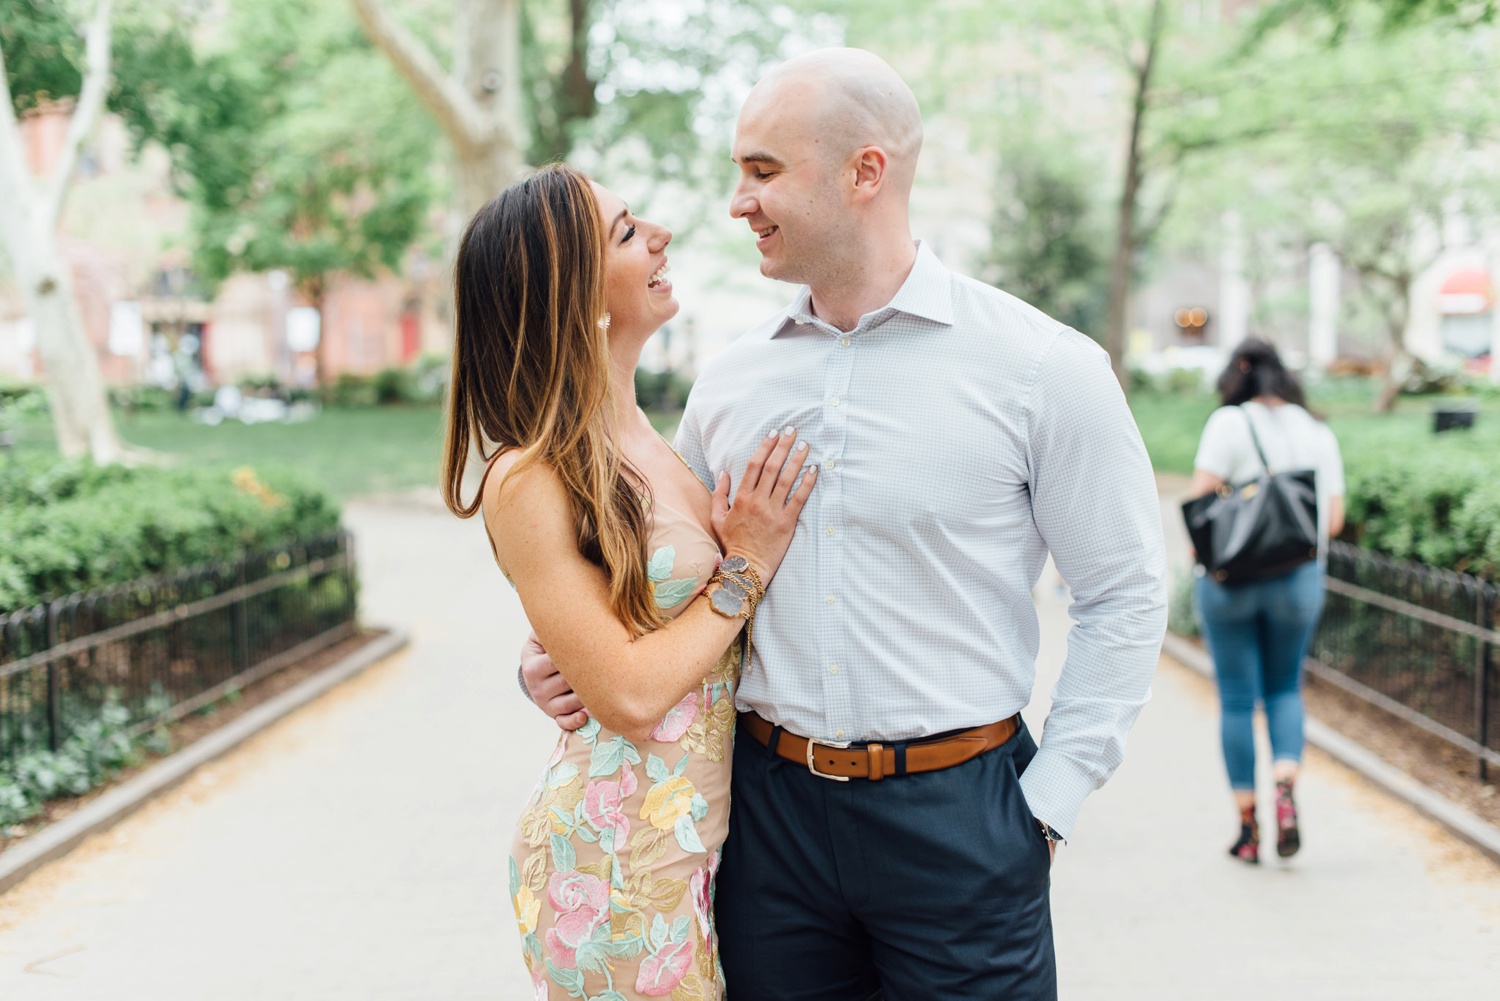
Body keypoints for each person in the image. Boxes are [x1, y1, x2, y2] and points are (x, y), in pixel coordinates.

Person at [523, 48, 1167, 1000]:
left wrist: (1048, 804)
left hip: (963, 815)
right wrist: (557, 656)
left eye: (762, 170)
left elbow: (1123, 592)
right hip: (768, 822)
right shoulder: (732, 380)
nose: (736, 201)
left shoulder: (1043, 368)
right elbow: (674, 572)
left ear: (867, 172)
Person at [442, 163, 817, 1001]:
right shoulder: (527, 474)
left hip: (709, 845)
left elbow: (625, 621)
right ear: (574, 297)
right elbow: (631, 693)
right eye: (625, 231)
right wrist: (746, 565)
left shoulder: (656, 437)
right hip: (615, 861)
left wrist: (549, 659)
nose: (661, 235)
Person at [1188, 338, 1346, 864]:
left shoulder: (1229, 423)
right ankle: (1284, 782)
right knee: (1284, 688)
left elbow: (1202, 501)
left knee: (1236, 700)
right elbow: (1334, 519)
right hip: (1299, 580)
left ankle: (1248, 827)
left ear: (1237, 376)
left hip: (1232, 583)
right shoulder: (1316, 430)